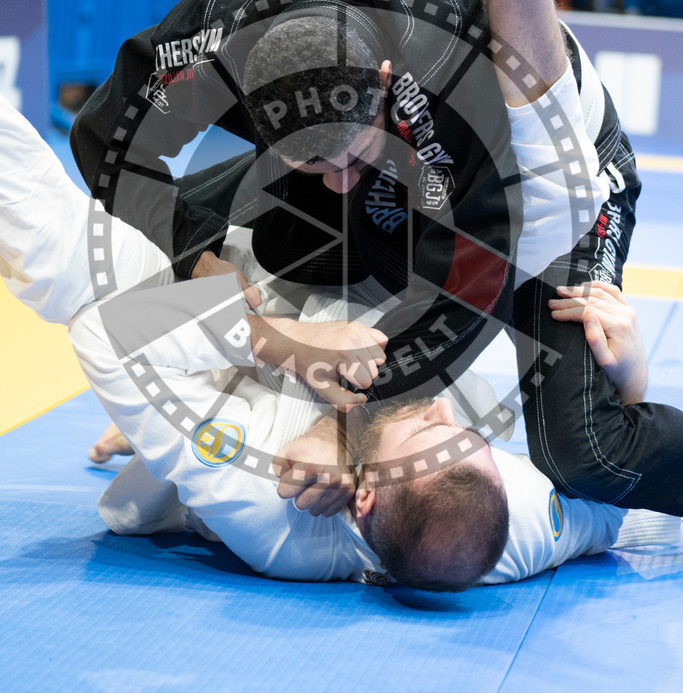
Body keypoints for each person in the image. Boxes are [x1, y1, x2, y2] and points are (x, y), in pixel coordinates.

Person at [70, 0, 683, 516]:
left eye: (345, 159)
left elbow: (475, 275)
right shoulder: (210, 42)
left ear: (386, 82)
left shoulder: (458, 80)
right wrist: (195, 262)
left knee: (587, 454)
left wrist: (345, 430)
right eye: (311, 166)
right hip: (395, 145)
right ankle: (227, 358)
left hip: (552, 167)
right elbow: (106, 145)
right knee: (163, 270)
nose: (336, 184)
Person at [4, 94, 677, 590]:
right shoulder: (511, 522)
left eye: (423, 438)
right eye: (471, 439)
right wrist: (629, 374)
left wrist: (272, 343)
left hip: (242, 327)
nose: (441, 411)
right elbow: (607, 506)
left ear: (362, 497)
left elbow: (110, 328)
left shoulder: (267, 505)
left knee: (76, 268)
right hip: (336, 264)